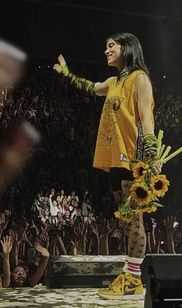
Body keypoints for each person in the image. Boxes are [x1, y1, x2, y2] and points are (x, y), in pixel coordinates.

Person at [53, 32, 160, 299]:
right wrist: (67, 74)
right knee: (126, 221)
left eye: (111, 45)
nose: (106, 50)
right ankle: (130, 272)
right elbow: (91, 87)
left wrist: (152, 156)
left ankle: (134, 279)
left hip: (132, 159)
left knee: (135, 219)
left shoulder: (139, 79)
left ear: (127, 47)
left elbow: (147, 121)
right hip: (114, 158)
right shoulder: (113, 82)